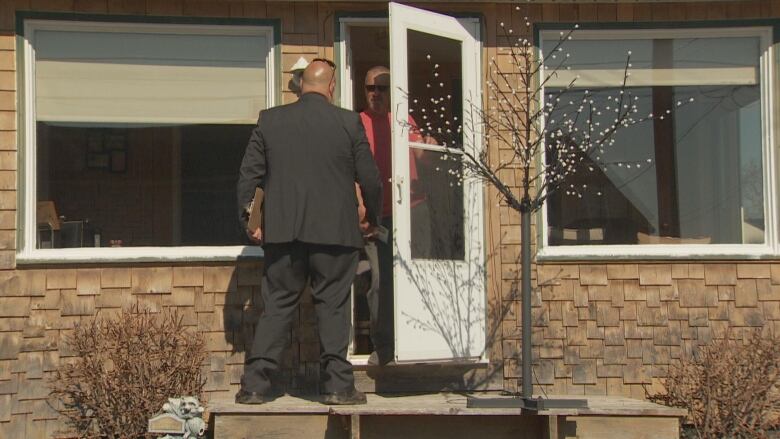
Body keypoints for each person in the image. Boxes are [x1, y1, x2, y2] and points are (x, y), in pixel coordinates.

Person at [235, 58, 383, 405]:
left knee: (277, 306)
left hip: (284, 233)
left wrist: (251, 222)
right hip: (336, 233)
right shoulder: (348, 122)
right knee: (332, 307)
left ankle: (255, 385)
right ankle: (337, 387)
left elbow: (248, 179)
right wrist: (371, 217)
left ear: (301, 84)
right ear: (331, 86)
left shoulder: (271, 120)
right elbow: (371, 179)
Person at [356, 66, 435, 366]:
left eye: (383, 88)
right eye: (370, 88)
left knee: (420, 276)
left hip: (413, 210)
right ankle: (384, 346)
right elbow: (350, 171)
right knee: (379, 281)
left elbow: (422, 158)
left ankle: (422, 343)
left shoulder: (404, 120)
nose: (376, 93)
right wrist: (361, 206)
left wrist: (430, 147)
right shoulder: (357, 125)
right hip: (378, 217)